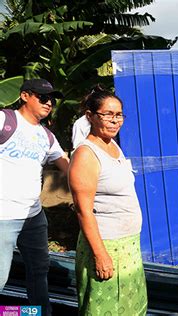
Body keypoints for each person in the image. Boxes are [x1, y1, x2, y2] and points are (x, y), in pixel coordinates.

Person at [68, 86, 147, 315]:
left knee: (130, 305)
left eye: (119, 114)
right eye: (108, 114)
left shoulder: (112, 145)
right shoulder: (86, 154)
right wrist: (100, 255)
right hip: (106, 245)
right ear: (90, 116)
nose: (115, 120)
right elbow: (83, 211)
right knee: (104, 307)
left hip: (128, 245)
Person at [0, 78, 69, 316]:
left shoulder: (46, 136)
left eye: (51, 99)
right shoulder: (4, 120)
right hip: (3, 217)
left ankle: (36, 313)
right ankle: (7, 312)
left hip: (33, 217)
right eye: (42, 97)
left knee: (39, 272)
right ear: (25, 96)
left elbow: (68, 167)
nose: (48, 103)